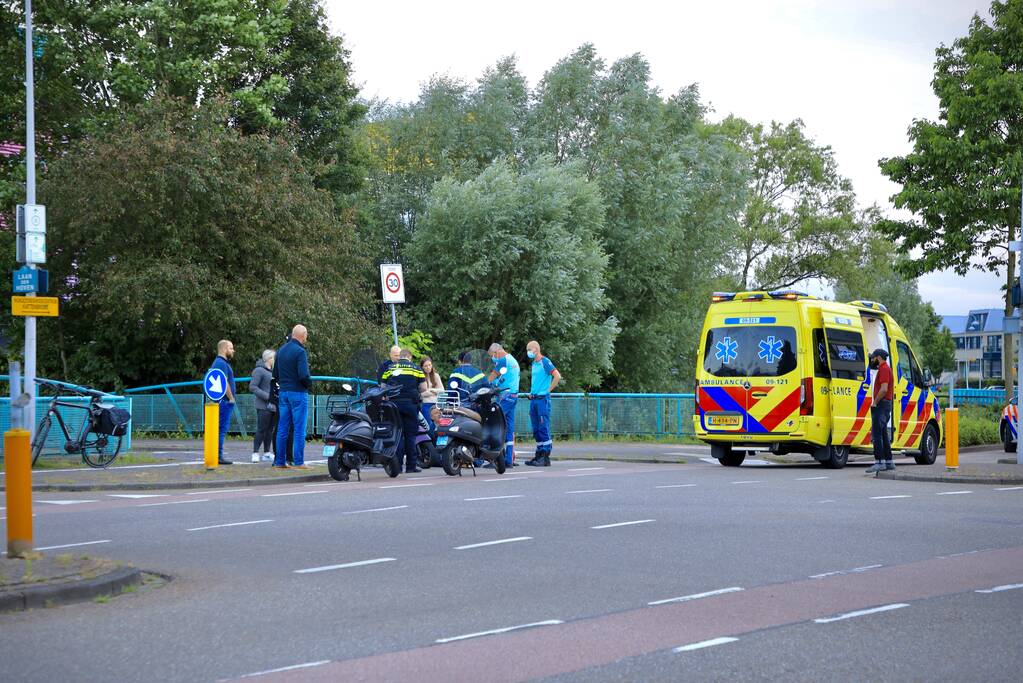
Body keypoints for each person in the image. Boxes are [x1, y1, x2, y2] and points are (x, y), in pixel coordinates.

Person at [383, 348, 427, 473]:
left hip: (393, 406)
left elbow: (383, 387)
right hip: (410, 405)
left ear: (400, 356)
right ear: (410, 357)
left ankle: (397, 466)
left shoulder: (390, 368)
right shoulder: (415, 368)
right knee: (410, 436)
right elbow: (423, 388)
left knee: (397, 435)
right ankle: (411, 466)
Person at [274, 325, 312, 469]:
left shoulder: (281, 350)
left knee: (282, 428)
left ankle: (280, 462)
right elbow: (303, 375)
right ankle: (299, 462)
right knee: (299, 429)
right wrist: (309, 384)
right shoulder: (300, 352)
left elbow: (275, 374)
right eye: (306, 335)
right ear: (302, 335)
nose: (306, 338)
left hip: (283, 393)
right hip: (298, 393)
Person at [524, 340, 561, 467]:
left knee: (543, 426)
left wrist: (547, 391)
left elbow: (557, 376)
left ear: (536, 349)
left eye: (529, 349)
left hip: (542, 400)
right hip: (534, 399)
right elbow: (537, 381)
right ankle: (539, 454)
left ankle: (545, 456)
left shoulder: (545, 362)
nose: (528, 352)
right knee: (536, 428)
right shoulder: (534, 363)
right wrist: (532, 393)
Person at [488, 343, 520, 468]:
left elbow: (492, 377)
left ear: (496, 352)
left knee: (495, 424)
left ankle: (495, 458)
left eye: (492, 356)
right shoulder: (512, 359)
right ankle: (509, 460)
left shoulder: (502, 360)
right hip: (513, 396)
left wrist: (483, 384)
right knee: (509, 428)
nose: (493, 359)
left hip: (505, 396)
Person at [866, 348, 895, 474]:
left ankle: (879, 462)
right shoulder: (886, 368)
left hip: (881, 405)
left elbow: (883, 389)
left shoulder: (883, 369)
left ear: (878, 357)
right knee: (883, 433)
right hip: (886, 405)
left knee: (876, 434)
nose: (872, 360)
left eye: (873, 358)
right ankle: (888, 462)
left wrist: (875, 402)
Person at [210, 340, 236, 465]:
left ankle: (217, 455)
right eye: (231, 348)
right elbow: (223, 382)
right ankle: (218, 456)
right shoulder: (221, 363)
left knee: (220, 429)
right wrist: (231, 398)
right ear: (224, 348)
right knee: (221, 429)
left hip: (221, 401)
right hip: (224, 402)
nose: (233, 351)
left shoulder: (220, 363)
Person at [249, 350, 276, 463]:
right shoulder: (259, 370)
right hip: (263, 406)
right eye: (274, 358)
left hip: (273, 406)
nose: (275, 360)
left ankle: (266, 453)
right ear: (269, 359)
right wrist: (267, 396)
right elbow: (253, 387)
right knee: (261, 429)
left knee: (270, 430)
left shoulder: (273, 372)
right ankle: (255, 453)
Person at [419, 356, 443, 434]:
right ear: (422, 367)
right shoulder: (420, 377)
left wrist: (431, 390)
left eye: (429, 365)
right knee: (429, 426)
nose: (428, 367)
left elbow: (442, 390)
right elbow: (421, 394)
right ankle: (430, 443)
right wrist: (434, 392)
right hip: (426, 404)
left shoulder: (436, 376)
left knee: (439, 425)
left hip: (437, 404)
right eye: (425, 366)